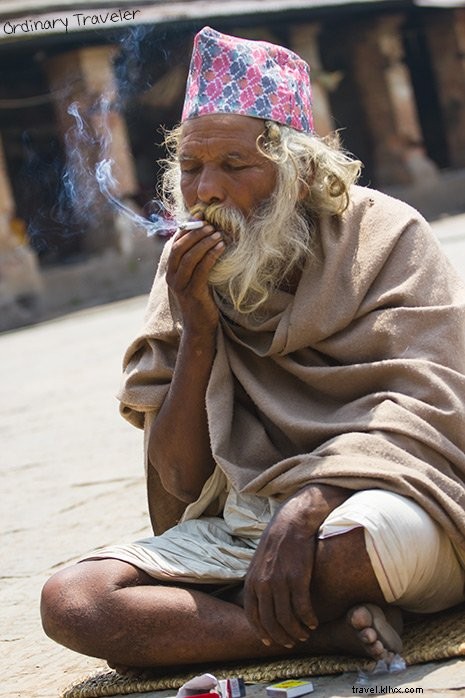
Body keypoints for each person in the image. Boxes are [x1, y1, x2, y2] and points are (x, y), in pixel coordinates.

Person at [41, 26, 465, 673]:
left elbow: (426, 404)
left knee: (344, 553)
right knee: (75, 603)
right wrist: (199, 333)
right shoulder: (186, 272)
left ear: (297, 174)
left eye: (233, 167)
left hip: (389, 500)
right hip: (250, 522)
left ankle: (218, 623)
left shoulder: (386, 233)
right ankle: (321, 636)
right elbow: (180, 485)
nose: (206, 191)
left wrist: (309, 504)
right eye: (190, 168)